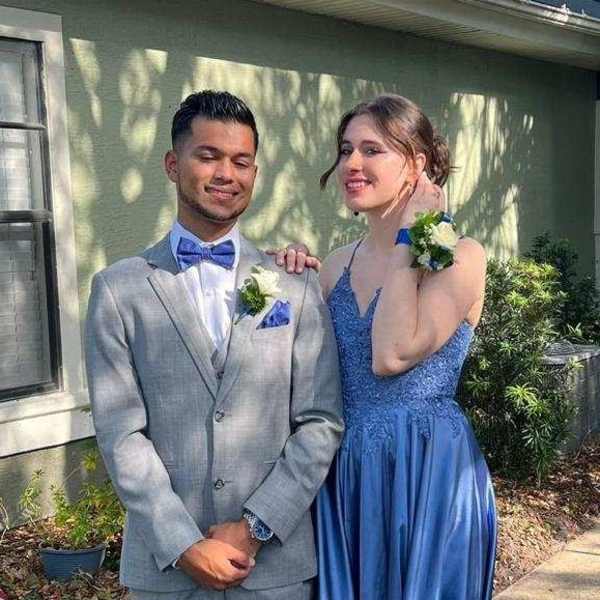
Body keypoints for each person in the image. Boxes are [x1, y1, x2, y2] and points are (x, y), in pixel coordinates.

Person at [84, 90, 344, 600]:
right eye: (208, 156)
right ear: (172, 164)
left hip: (274, 571)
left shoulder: (294, 283)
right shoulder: (118, 290)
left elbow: (321, 421)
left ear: (254, 173)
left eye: (241, 161)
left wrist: (255, 527)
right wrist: (183, 543)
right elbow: (120, 434)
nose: (227, 173)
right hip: (165, 573)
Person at [276, 94, 497, 599]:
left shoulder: (460, 257)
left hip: (428, 472)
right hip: (346, 473)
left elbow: (391, 354)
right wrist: (286, 277)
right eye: (345, 149)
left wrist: (407, 241)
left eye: (372, 150)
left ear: (416, 165)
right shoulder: (334, 266)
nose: (351, 163)